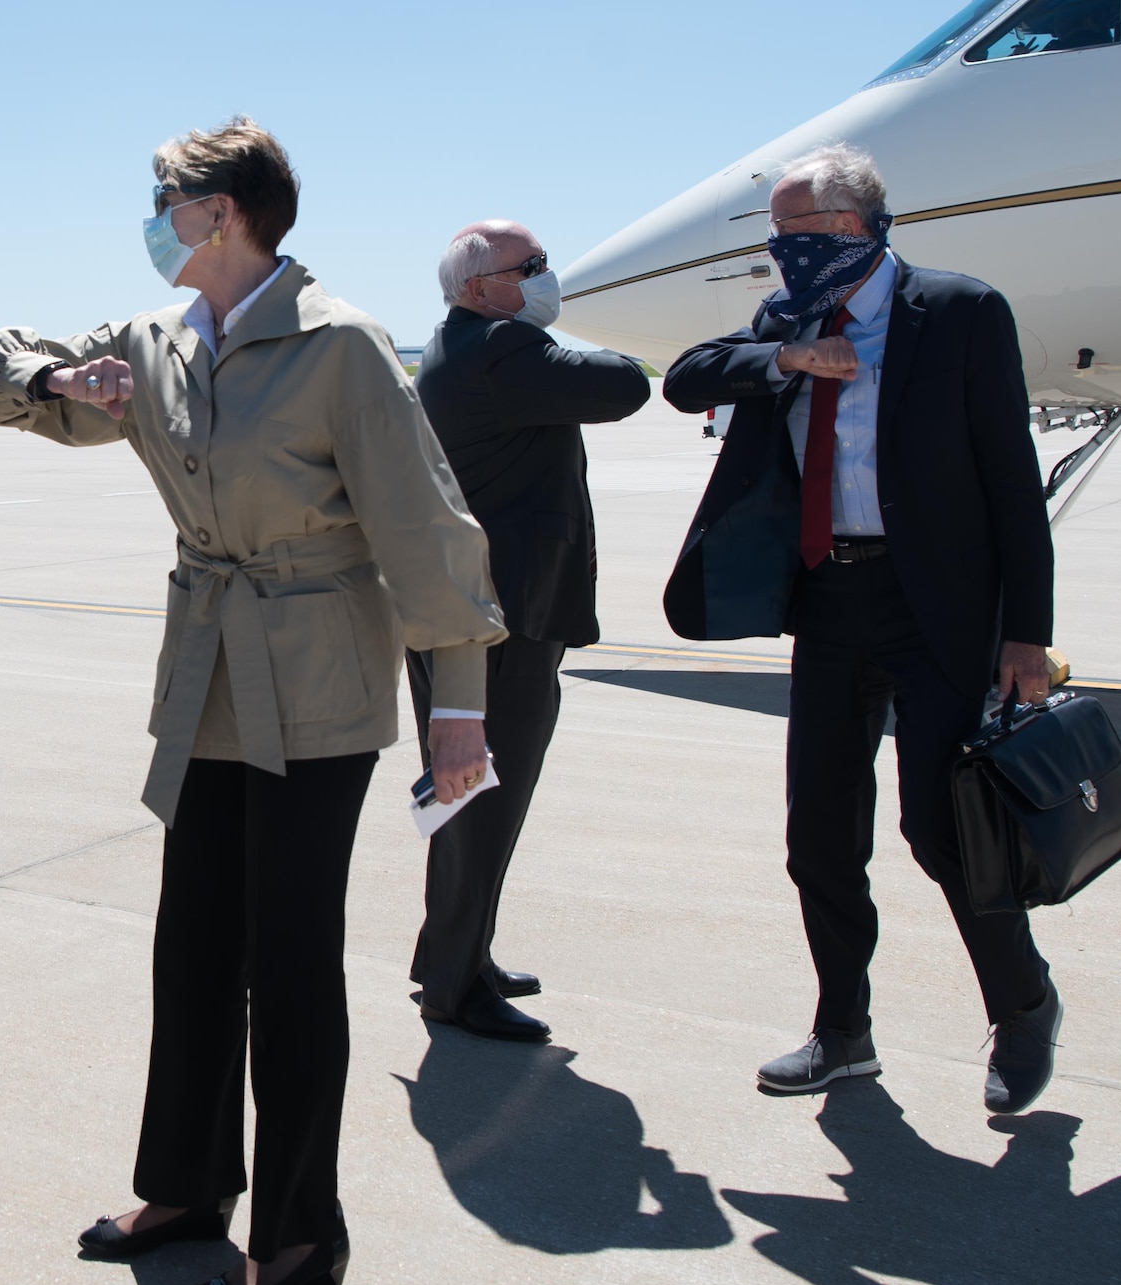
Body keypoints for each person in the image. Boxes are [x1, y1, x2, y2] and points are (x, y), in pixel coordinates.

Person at [0, 117, 505, 1285]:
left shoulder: (342, 345)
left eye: (166, 198)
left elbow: (428, 530)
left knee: (289, 961)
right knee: (193, 940)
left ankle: (301, 1236)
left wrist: (456, 713)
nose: (151, 217)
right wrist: (60, 379)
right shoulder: (151, 338)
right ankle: (187, 1187)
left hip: (315, 680)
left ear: (222, 211)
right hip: (203, 670)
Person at [662, 144, 1062, 1115]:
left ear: (846, 228)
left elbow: (1012, 483)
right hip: (828, 602)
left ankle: (1021, 1006)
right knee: (817, 841)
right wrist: (785, 357)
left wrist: (1024, 636)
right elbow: (686, 376)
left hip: (935, 609)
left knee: (941, 828)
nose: (775, 253)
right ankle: (842, 1033)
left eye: (787, 233)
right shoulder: (787, 318)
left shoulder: (958, 312)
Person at [409, 221, 649, 1042]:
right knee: (480, 797)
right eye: (531, 267)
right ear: (479, 288)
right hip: (499, 623)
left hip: (478, 613)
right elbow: (625, 385)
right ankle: (454, 983)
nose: (548, 277)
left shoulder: (460, 344)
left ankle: (454, 953)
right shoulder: (501, 352)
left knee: (465, 797)